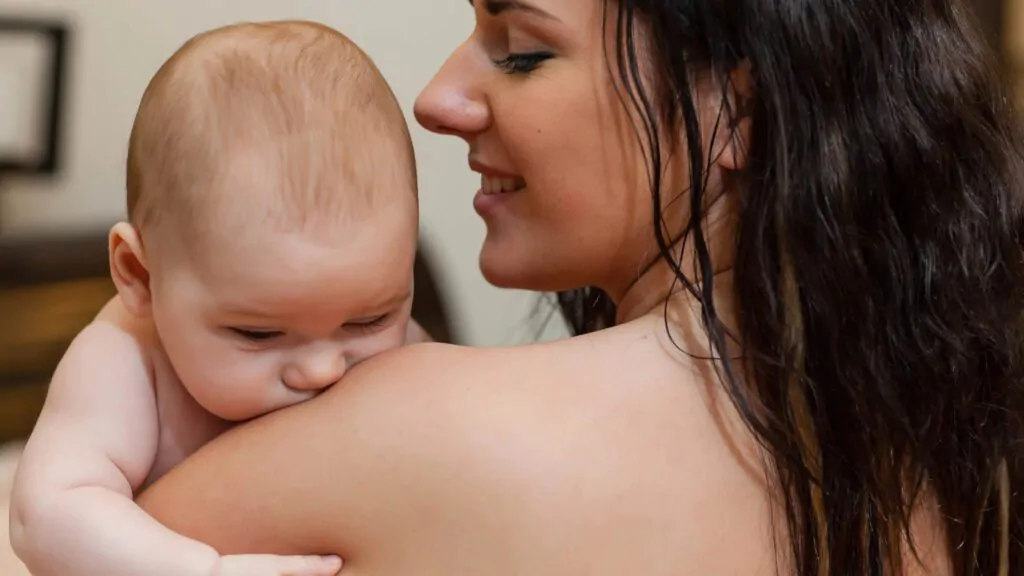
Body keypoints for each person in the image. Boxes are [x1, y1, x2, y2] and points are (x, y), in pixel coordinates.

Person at [137, 1, 1024, 574]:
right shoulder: (950, 456)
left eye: (521, 52)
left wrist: (138, 322)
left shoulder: (412, 429)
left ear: (736, 115)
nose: (438, 97)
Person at [9, 20, 423, 576]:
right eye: (259, 332)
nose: (323, 368)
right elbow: (48, 515)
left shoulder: (409, 355)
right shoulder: (125, 361)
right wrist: (203, 569)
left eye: (370, 319)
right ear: (139, 276)